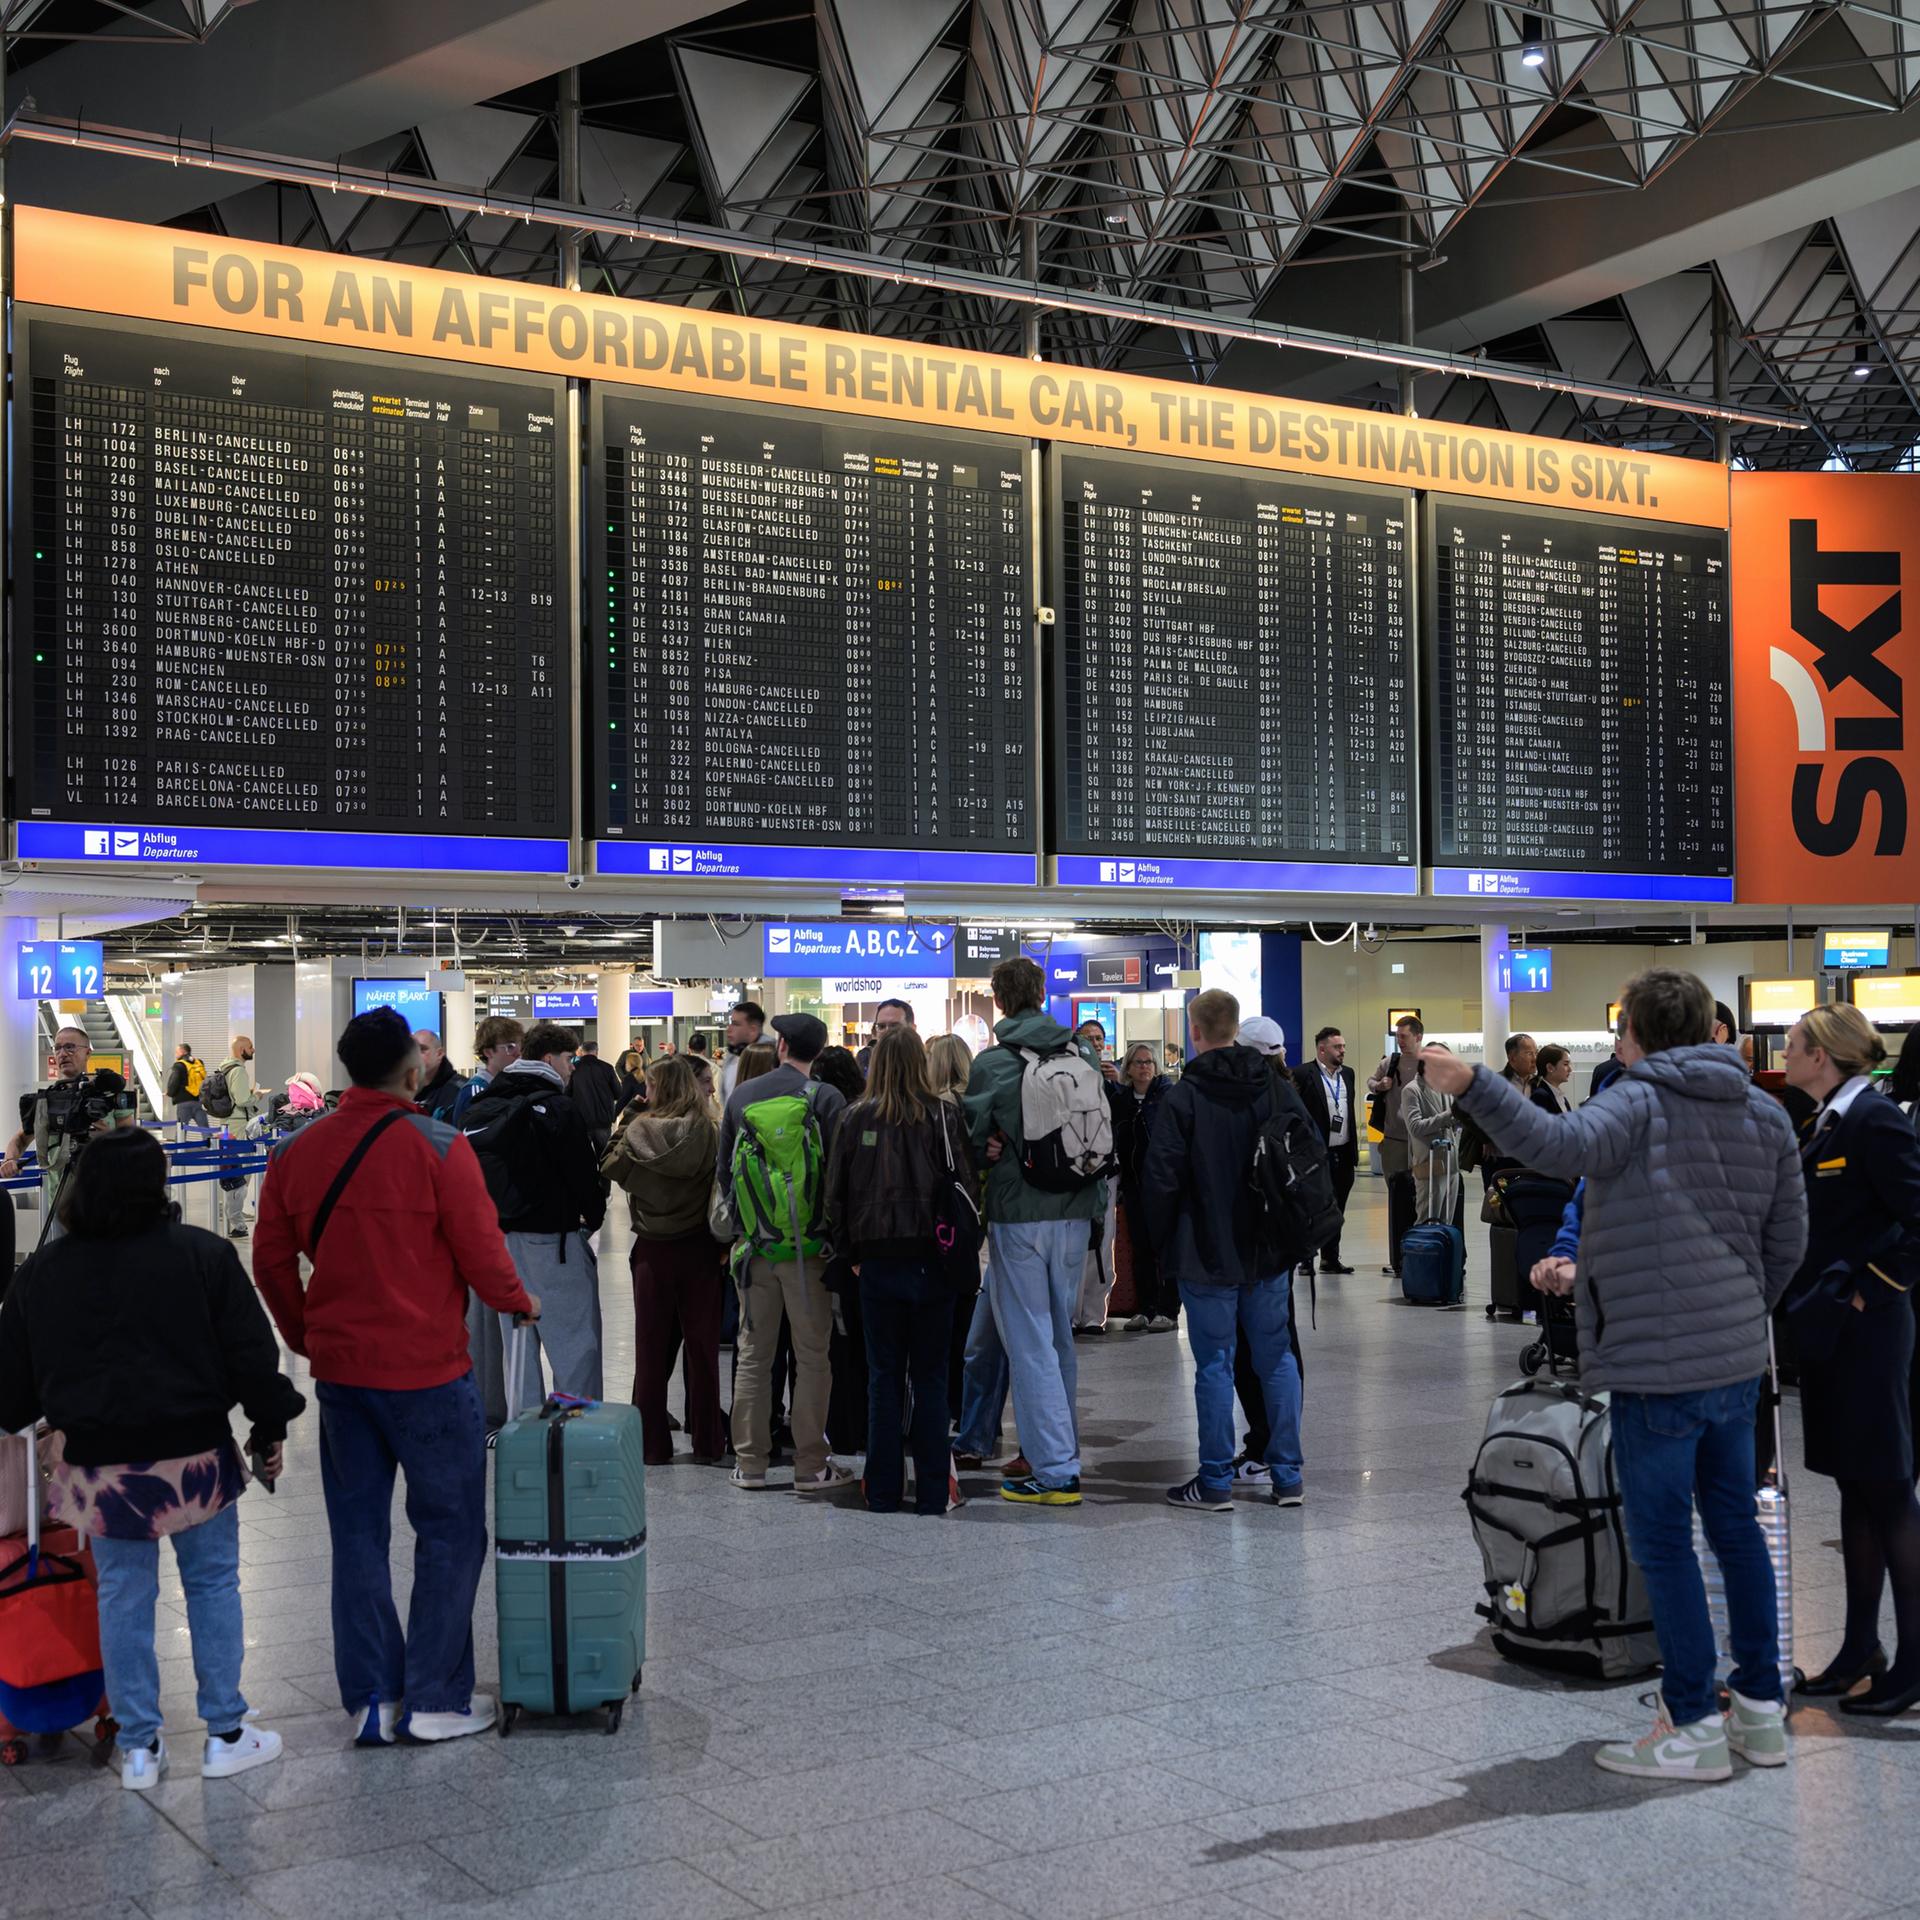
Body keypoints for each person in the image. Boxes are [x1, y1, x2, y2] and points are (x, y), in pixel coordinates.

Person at [1425, 968, 1805, 1780]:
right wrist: (1741, 1311)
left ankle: (1695, 1724)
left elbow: (1551, 1148)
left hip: (1656, 1366)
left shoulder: (1634, 1103)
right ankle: (1763, 1714)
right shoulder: (1764, 1112)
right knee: (1735, 1528)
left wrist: (1472, 1082)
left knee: (1663, 1541)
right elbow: (1789, 1240)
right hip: (1736, 1360)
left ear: (1633, 1035)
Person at [253, 1008, 538, 1745]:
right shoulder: (440, 1146)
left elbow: (271, 1263)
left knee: (356, 1535)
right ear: (414, 1070)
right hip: (430, 1373)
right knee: (449, 1530)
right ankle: (437, 1697)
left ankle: (374, 1698)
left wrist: (306, 1335)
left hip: (344, 1377)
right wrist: (519, 1301)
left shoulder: (294, 1154)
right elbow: (481, 1253)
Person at [0, 1128, 305, 1790]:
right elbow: (252, 1355)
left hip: (101, 1469)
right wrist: (268, 1425)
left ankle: (139, 1746)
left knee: (122, 1595)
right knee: (213, 1584)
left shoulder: (42, 1274)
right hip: (192, 1457)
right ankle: (225, 1731)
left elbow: (12, 1395)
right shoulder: (201, 1253)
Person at [1779, 1003, 1920, 1717]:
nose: (1786, 1052)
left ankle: (1915, 1663)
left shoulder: (1874, 1120)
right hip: (1832, 1333)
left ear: (1824, 1056)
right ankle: (1860, 1649)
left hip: (1869, 1333)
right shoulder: (1828, 1118)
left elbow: (1917, 1219)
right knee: (1854, 1490)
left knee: (1890, 1492)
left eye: (1795, 1044)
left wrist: (1874, 1289)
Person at [1143, 990, 1305, 1511]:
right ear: (1235, 1028)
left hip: (1205, 1248)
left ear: (1195, 1032)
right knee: (1276, 1359)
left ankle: (1214, 1482)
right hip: (1267, 1248)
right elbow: (1309, 1154)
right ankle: (1288, 1477)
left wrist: (1163, 1244)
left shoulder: (1184, 1096)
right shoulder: (1275, 1089)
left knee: (1214, 1363)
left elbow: (1161, 1178)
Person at [964, 956, 1105, 1507]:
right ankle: (1060, 1446)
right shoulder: (1083, 1050)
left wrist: (992, 1145)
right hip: (1075, 1208)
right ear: (1044, 992)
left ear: (999, 1001)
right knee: (1058, 1336)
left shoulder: (994, 1063)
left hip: (1018, 1212)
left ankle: (1055, 1468)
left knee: (1027, 1341)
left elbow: (974, 1135)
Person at [826, 1024, 976, 1515]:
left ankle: (884, 1489)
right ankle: (933, 1492)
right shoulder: (943, 1115)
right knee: (931, 1378)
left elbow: (836, 1196)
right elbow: (967, 1189)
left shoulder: (853, 1117)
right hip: (935, 1260)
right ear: (921, 1063)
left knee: (882, 1378)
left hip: (875, 1263)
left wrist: (848, 1253)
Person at [719, 1011, 852, 1494]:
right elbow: (839, 1178)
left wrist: (745, 1231)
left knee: (754, 1355)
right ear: (817, 1052)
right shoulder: (826, 1098)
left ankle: (750, 1464)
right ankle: (811, 1467)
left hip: (756, 1251)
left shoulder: (743, 1096)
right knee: (813, 1356)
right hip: (811, 1251)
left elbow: (724, 1177)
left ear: (780, 1046)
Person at [461, 1021, 607, 1402]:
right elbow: (582, 1175)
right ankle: (576, 1432)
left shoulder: (487, 1102)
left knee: (519, 1348)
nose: (572, 1067)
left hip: (500, 1244)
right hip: (552, 1242)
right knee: (574, 1344)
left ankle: (525, 1436)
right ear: (548, 1059)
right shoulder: (558, 1107)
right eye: (568, 1059)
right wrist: (592, 1218)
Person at [601, 1054, 727, 1468]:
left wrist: (628, 1120)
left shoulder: (638, 1129)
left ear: (661, 1089)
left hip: (652, 1250)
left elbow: (610, 1166)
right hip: (700, 1247)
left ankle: (652, 1446)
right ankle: (709, 1442)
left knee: (651, 1352)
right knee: (703, 1350)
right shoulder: (708, 1132)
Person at [927, 1033, 985, 1421]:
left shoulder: (938, 1108)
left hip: (949, 1218)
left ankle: (950, 1404)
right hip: (978, 1212)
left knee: (947, 1321)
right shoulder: (980, 1102)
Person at [2, 1025, 106, 1231]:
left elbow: (132, 1143)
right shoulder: (47, 1100)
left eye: (70, 1047)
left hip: (105, 1199)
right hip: (61, 1202)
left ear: (87, 1052)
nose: (62, 1054)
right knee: (63, 1261)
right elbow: (21, 1139)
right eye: (57, 1048)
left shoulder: (106, 1096)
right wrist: (10, 1159)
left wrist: (106, 1134)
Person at [1113, 1041, 1176, 1331]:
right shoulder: (1123, 1100)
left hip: (1162, 1187)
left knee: (1165, 1248)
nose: (1144, 1067)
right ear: (1128, 1068)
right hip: (1134, 1185)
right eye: (1138, 1062)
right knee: (1141, 1248)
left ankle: (1168, 1309)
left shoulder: (1167, 1096)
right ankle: (1145, 1307)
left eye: (1149, 1061)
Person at [1292, 1025, 1357, 1276]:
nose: (1342, 1050)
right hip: (1316, 1156)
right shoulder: (1302, 1074)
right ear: (1321, 1049)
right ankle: (1306, 1258)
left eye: (1343, 1046)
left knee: (1337, 1209)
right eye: (1337, 1047)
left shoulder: (1348, 1075)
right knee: (1311, 1208)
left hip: (1343, 1152)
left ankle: (1330, 1258)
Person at [1071, 1018, 1123, 1334]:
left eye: (1099, 1038)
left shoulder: (1113, 1082)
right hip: (1074, 1175)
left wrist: (1117, 1086)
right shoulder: (1065, 1079)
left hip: (1106, 1174)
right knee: (1075, 1245)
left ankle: (1093, 1315)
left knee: (1103, 1245)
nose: (1095, 1043)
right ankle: (1072, 1314)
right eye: (1089, 1038)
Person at [1366, 1016, 1423, 1276]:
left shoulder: (1429, 1063)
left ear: (1418, 1037)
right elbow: (1370, 1081)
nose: (1399, 1041)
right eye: (1398, 1036)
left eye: (1404, 1036)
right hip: (1394, 1140)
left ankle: (1422, 1249)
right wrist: (1379, 1085)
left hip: (1421, 1142)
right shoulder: (1391, 1062)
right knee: (1397, 1198)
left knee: (1423, 1197)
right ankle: (1399, 1256)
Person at [1403, 1043, 1462, 1225]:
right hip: (1429, 1165)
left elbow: (1453, 1122)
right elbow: (1415, 1127)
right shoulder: (1412, 1090)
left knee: (1447, 1222)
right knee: (1427, 1220)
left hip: (1451, 1164)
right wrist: (1450, 1115)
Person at [212, 1035, 260, 1237]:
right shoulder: (238, 1070)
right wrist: (256, 1096)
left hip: (226, 1125)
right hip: (239, 1126)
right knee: (241, 1174)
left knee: (230, 1171)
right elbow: (241, 1100)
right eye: (250, 1047)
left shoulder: (224, 1068)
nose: (253, 1050)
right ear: (241, 1050)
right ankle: (237, 1222)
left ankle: (231, 1215)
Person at [451, 1015, 522, 1125]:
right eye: (510, 1047)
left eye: (519, 1046)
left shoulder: (516, 1087)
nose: (518, 1053)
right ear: (488, 1052)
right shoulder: (475, 1092)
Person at [569, 1039, 622, 1156]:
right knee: (604, 1156)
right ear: (597, 1052)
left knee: (583, 1157)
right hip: (603, 1120)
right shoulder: (607, 1068)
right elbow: (618, 1093)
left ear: (582, 1052)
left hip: (581, 1120)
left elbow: (567, 1093)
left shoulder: (573, 1069)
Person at [720, 1000, 771, 1102]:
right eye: (730, 1023)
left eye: (736, 1024)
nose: (729, 1029)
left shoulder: (772, 1058)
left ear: (753, 1030)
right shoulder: (732, 1056)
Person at [414, 1029, 462, 1125]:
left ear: (439, 1054)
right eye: (413, 1050)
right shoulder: (404, 1090)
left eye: (422, 1049)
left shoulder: (460, 1091)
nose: (416, 1055)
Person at [856, 998, 915, 1076]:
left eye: (894, 1026)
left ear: (912, 1029)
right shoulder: (866, 1069)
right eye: (881, 1026)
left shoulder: (927, 1068)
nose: (887, 1031)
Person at [166, 1040, 209, 1131]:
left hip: (183, 1102)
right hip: (199, 1101)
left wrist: (169, 1093)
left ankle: (180, 1145)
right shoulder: (199, 1063)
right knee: (205, 1128)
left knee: (181, 1130)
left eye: (177, 1052)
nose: (176, 1054)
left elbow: (174, 1082)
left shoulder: (179, 1065)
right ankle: (210, 1144)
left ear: (183, 1052)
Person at [1531, 1044, 1575, 1115]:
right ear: (1550, 1068)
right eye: (1565, 1064)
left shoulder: (1558, 1094)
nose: (1570, 1069)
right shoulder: (1540, 1096)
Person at [614, 1046, 647, 1111]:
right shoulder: (646, 1078)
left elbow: (622, 1101)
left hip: (632, 1113)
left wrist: (612, 1116)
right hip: (645, 1113)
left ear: (629, 1064)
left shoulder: (628, 1079)